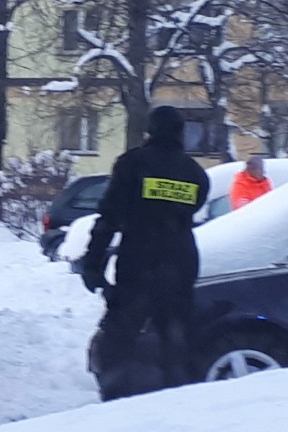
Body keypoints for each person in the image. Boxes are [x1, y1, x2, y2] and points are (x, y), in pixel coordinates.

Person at [80, 106, 209, 400]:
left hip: (140, 262)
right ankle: (176, 394)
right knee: (174, 337)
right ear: (181, 133)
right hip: (181, 263)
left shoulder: (132, 165)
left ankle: (118, 397)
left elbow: (109, 217)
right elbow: (192, 210)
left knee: (120, 336)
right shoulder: (195, 174)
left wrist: (93, 263)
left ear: (150, 131)